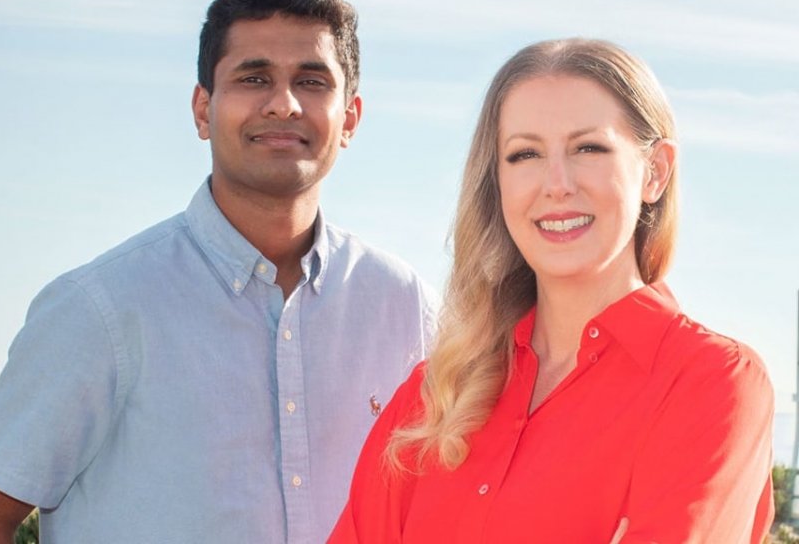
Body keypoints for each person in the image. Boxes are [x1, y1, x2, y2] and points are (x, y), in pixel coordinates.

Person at [0, 0, 436, 543]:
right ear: (203, 110)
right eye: (254, 78)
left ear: (349, 117)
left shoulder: (405, 306)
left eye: (312, 80)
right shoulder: (99, 310)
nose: (283, 104)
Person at [329, 38, 773, 543]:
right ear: (497, 182)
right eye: (525, 154)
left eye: (589, 148)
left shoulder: (713, 385)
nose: (556, 184)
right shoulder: (433, 398)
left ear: (655, 172)